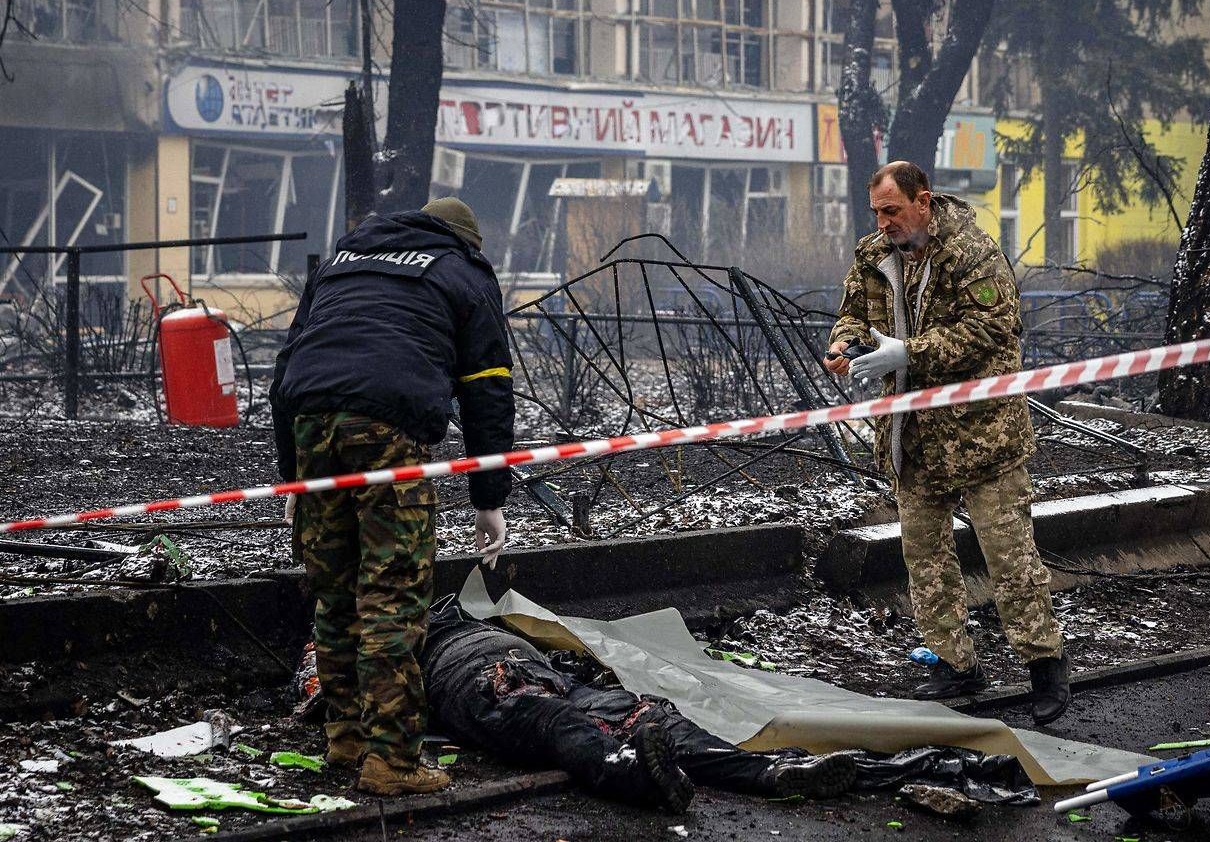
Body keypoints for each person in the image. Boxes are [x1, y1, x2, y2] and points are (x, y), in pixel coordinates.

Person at [270, 196, 515, 797]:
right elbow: (487, 389)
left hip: (311, 420)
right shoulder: (465, 271)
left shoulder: (343, 262)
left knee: (335, 592)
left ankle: (345, 740)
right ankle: (393, 762)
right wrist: (489, 497)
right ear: (467, 240)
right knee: (393, 592)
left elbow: (286, 370)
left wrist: (295, 479)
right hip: (388, 428)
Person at [822, 162, 1069, 724]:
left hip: (984, 436)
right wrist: (845, 347)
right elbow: (855, 315)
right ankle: (955, 663)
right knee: (925, 558)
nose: (884, 223)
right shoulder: (872, 256)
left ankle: (1045, 666)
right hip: (914, 438)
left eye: (893, 211)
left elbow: (992, 329)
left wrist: (910, 352)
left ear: (923, 202)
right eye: (877, 212)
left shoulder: (972, 252)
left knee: (1009, 559)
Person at [421, 598, 860, 812]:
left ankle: (768, 772)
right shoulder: (394, 636)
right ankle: (633, 774)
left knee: (645, 714)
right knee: (554, 720)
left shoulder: (455, 611)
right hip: (484, 689)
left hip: (547, 676)